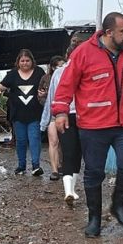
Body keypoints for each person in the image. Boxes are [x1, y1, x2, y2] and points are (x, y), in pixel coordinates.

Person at [52, 13, 123, 237]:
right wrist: (60, 112)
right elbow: (66, 84)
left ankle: (118, 204)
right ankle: (94, 218)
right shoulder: (84, 53)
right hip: (94, 125)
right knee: (94, 172)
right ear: (108, 33)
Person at [40, 37, 85, 204]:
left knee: (69, 152)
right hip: (76, 115)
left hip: (65, 115)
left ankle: (69, 190)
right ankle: (70, 190)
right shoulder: (72, 71)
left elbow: (52, 97)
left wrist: (47, 120)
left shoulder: (59, 72)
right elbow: (53, 96)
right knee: (75, 153)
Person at [0, 49, 46, 176]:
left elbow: (46, 86)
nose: (25, 63)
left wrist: (44, 93)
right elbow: (2, 85)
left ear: (32, 61)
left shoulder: (39, 72)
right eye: (22, 61)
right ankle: (21, 166)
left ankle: (36, 166)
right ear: (18, 62)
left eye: (27, 60)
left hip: (35, 113)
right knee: (21, 140)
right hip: (17, 114)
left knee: (34, 139)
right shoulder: (13, 74)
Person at [38, 55, 65, 180]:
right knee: (53, 141)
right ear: (53, 67)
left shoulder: (69, 75)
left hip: (65, 113)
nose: (62, 67)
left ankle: (62, 165)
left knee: (63, 143)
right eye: (59, 65)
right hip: (52, 112)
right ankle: (54, 170)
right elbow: (41, 96)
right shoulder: (46, 78)